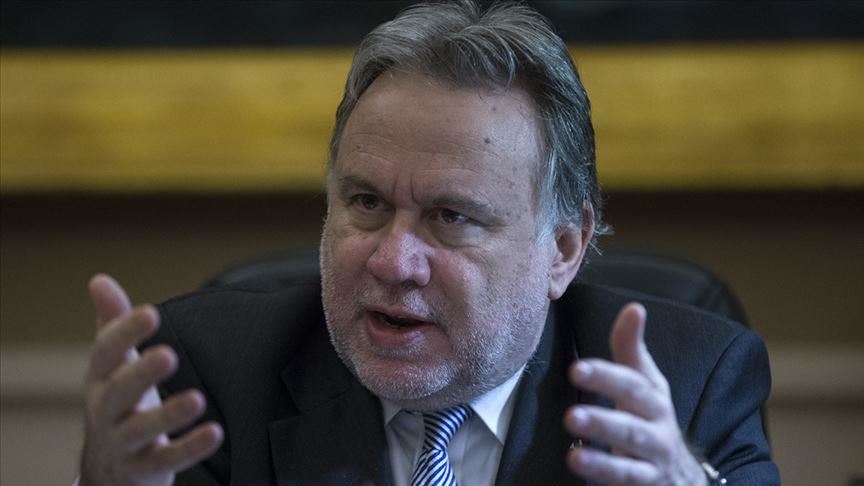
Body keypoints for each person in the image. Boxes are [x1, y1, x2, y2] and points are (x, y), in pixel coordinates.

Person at [78, 1, 779, 485]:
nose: (392, 262)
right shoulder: (212, 373)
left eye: (451, 216)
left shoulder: (689, 384)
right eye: (367, 203)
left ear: (563, 249)